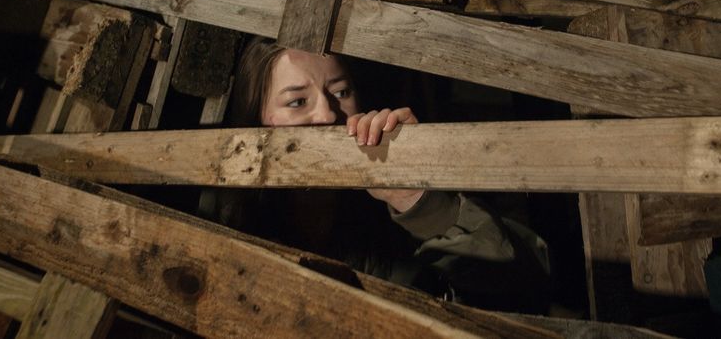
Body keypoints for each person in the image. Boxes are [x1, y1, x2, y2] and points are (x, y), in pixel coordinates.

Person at [205, 36, 551, 313]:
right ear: (257, 117)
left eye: (341, 92)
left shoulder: (383, 219)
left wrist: (415, 200)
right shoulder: (216, 213)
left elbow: (524, 287)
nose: (328, 115)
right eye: (297, 102)